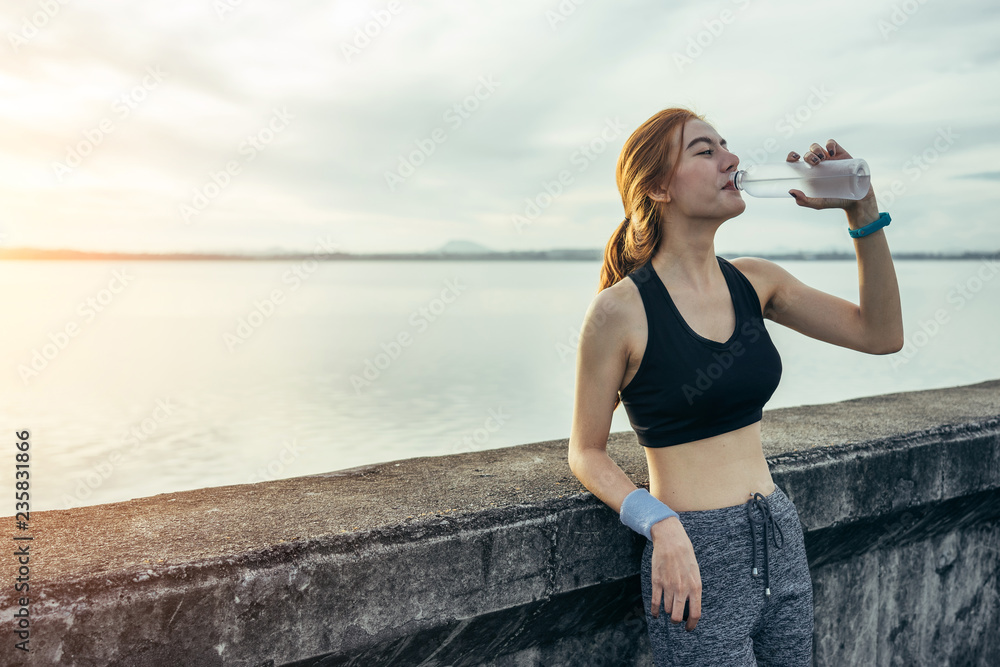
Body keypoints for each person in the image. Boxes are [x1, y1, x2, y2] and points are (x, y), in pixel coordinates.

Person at [567, 107, 903, 666]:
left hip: (778, 535)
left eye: (726, 145)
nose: (732, 160)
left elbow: (881, 334)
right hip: (691, 557)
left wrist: (860, 208)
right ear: (657, 187)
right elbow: (585, 451)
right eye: (705, 151)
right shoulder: (617, 312)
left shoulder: (756, 281)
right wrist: (661, 524)